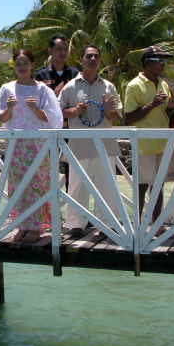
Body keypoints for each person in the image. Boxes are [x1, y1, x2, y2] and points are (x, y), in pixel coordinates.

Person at [0, 49, 63, 243]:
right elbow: (2, 118)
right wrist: (10, 108)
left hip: (37, 144)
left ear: (32, 65)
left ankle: (36, 227)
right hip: (16, 144)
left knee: (37, 184)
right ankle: (22, 225)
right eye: (18, 63)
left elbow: (52, 119)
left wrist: (35, 108)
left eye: (25, 63)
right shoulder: (7, 88)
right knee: (17, 185)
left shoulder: (42, 89)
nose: (22, 67)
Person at [59, 44, 122, 237]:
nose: (92, 59)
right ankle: (75, 224)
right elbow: (58, 113)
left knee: (107, 186)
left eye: (95, 56)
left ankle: (107, 224)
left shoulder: (109, 86)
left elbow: (117, 116)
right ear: (81, 60)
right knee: (77, 186)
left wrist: (109, 110)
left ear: (100, 60)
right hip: (79, 144)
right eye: (88, 56)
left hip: (105, 143)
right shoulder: (70, 86)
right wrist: (74, 111)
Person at [124, 46, 174, 235]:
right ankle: (137, 226)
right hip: (144, 144)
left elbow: (167, 111)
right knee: (141, 185)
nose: (164, 64)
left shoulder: (163, 84)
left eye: (164, 61)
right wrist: (152, 104)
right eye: (160, 61)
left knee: (159, 185)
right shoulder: (134, 85)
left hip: (163, 143)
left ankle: (157, 225)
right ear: (148, 63)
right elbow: (129, 118)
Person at [35, 33, 80, 191]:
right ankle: (47, 205)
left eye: (65, 49)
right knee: (45, 170)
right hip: (48, 130)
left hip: (71, 129)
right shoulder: (40, 75)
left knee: (72, 171)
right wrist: (54, 94)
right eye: (59, 49)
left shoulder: (75, 74)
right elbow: (36, 104)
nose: (62, 52)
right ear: (50, 51)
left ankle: (72, 205)